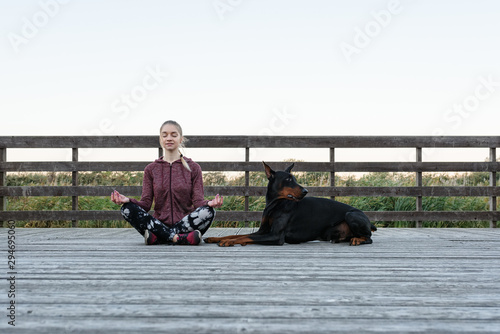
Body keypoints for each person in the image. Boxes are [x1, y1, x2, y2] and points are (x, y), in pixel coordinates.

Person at [110, 120, 223, 245]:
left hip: (185, 224)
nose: (169, 138)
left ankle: (160, 237)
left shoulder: (193, 168)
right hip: (158, 223)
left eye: (174, 135)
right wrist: (128, 201)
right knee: (127, 209)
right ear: (161, 139)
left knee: (208, 211)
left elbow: (197, 202)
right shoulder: (151, 169)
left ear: (181, 139)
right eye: (165, 135)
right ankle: (179, 238)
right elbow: (146, 204)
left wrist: (209, 203)